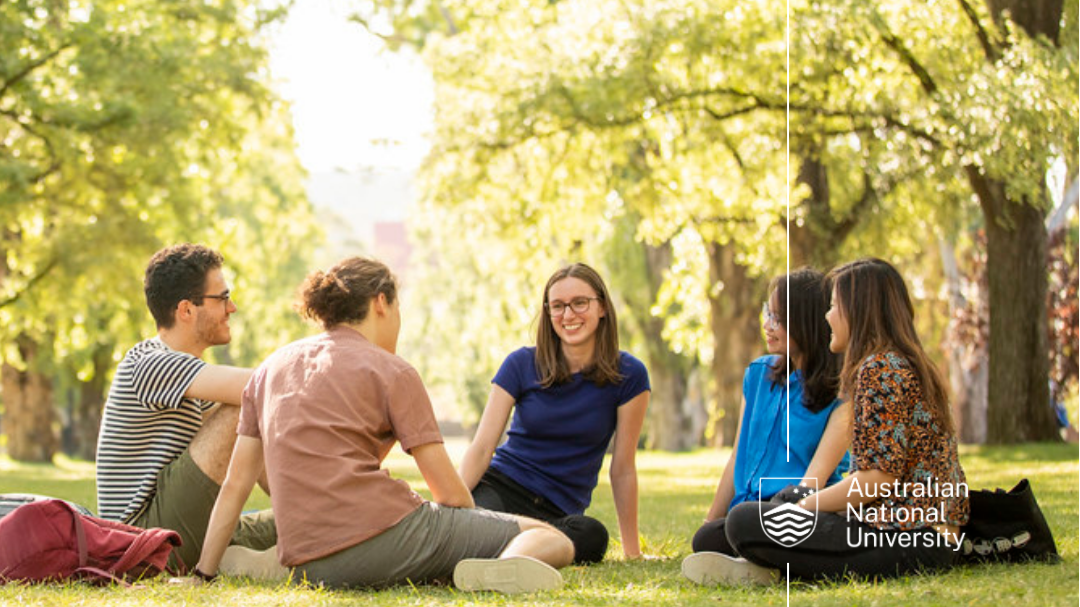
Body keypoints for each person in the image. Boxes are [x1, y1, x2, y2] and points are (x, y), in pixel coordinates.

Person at [192, 256, 573, 592]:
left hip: (306, 556)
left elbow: (236, 484)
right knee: (552, 538)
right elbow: (451, 496)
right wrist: (468, 532)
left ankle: (266, 562)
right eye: (397, 308)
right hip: (380, 535)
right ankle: (498, 570)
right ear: (381, 302)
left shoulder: (271, 368)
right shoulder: (393, 370)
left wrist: (203, 573)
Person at [696, 258, 970, 584]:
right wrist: (798, 505)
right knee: (757, 515)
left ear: (857, 310)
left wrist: (803, 508)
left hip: (908, 538)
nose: (827, 317)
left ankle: (777, 567)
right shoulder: (897, 364)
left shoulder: (880, 370)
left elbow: (876, 480)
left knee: (744, 521)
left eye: (834, 306)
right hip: (905, 529)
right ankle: (773, 562)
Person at [95, 244, 275, 569]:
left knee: (298, 521)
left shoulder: (189, 379)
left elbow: (245, 436)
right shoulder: (149, 363)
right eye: (222, 298)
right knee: (244, 403)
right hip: (142, 541)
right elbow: (262, 387)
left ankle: (240, 557)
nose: (231, 307)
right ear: (186, 311)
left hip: (181, 524)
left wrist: (299, 503)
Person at [459, 263, 651, 563]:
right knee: (480, 521)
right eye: (558, 306)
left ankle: (505, 559)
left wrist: (632, 552)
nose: (568, 315)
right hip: (501, 490)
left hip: (558, 514)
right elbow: (483, 448)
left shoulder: (630, 375)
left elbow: (623, 467)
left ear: (601, 307)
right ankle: (504, 555)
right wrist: (448, 507)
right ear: (548, 313)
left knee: (593, 536)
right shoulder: (520, 364)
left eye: (579, 303)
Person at [683, 268, 851, 582]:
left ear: (806, 320)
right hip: (748, 511)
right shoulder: (759, 375)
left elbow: (814, 481)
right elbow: (738, 456)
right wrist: (709, 521)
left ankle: (765, 562)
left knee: (747, 524)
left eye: (778, 317)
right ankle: (763, 563)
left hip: (801, 508)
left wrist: (780, 510)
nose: (767, 325)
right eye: (767, 313)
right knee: (709, 538)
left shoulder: (840, 392)